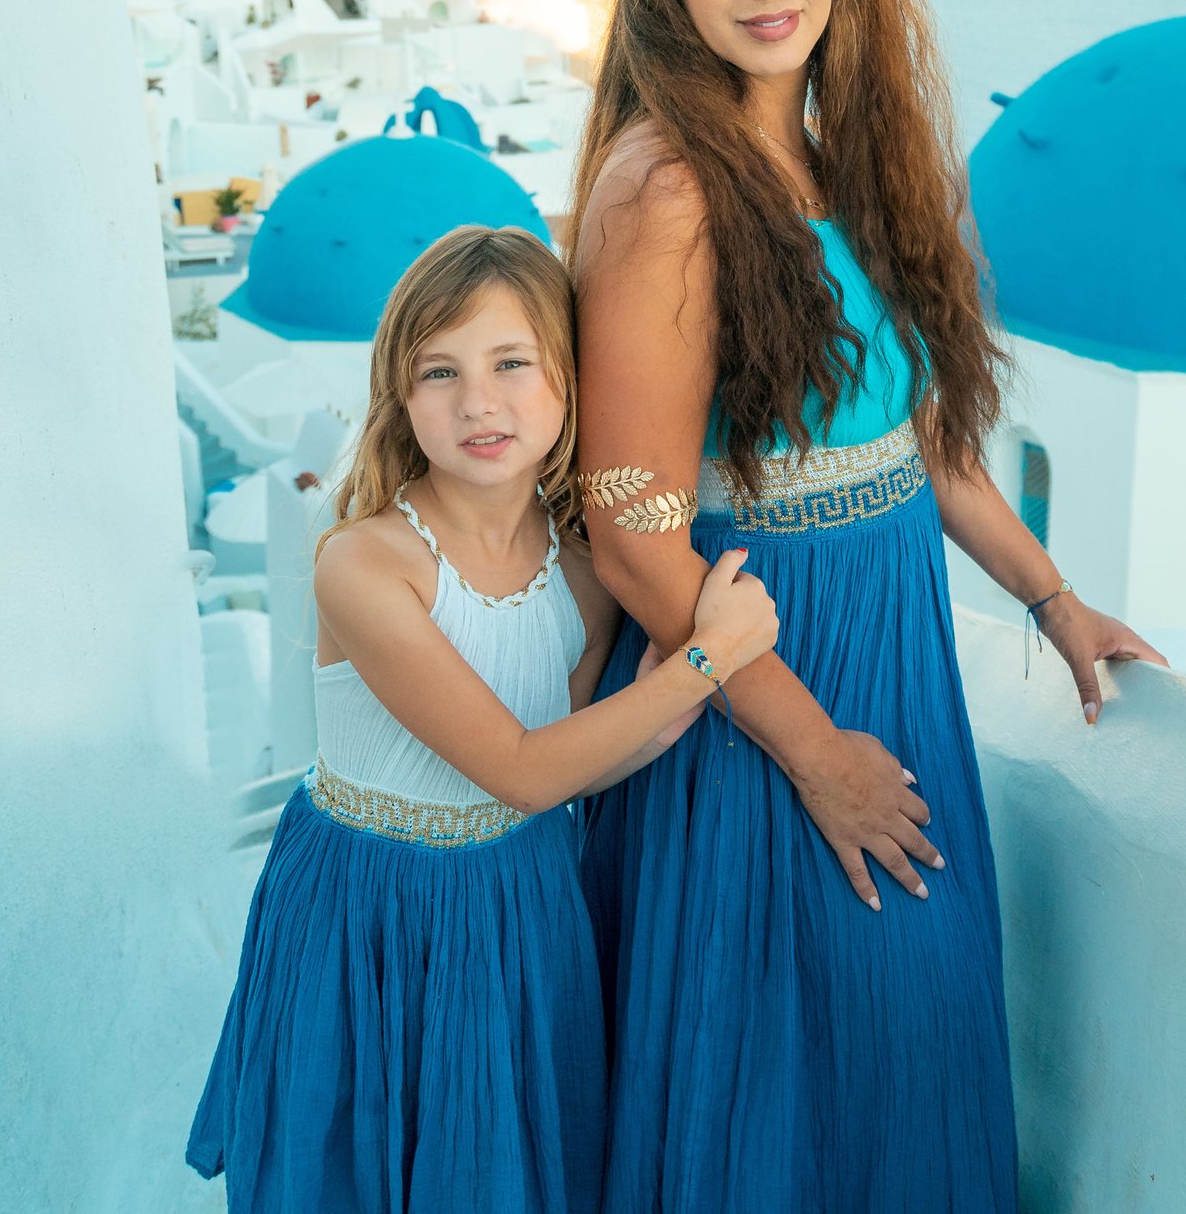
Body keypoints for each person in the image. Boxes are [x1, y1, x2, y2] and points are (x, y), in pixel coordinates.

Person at [569, 0, 1169, 1212]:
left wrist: (1052, 594)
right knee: (793, 1055)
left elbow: (921, 443)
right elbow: (630, 523)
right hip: (761, 683)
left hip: (897, 655)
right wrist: (817, 748)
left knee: (909, 1037)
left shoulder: (853, 156)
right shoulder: (665, 189)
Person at [187, 224, 778, 1213]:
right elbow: (519, 767)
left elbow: (573, 752)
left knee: (499, 1164)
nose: (480, 404)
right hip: (368, 909)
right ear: (400, 399)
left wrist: (666, 720)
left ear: (566, 378)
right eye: (439, 374)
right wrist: (708, 659)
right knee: (358, 1164)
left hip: (520, 898)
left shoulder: (586, 568)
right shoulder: (367, 564)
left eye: (512, 362)